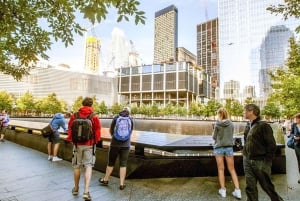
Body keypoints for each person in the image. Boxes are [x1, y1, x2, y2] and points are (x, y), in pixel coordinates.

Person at [243, 104, 284, 201]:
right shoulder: (248, 125)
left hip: (260, 161)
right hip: (247, 160)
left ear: (251, 111)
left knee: (267, 187)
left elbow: (271, 145)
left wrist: (267, 161)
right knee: (250, 187)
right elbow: (246, 141)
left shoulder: (263, 126)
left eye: (244, 111)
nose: (243, 112)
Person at [67, 97, 101, 201]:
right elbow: (97, 130)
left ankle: (76, 188)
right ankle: (86, 192)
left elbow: (70, 128)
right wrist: (95, 141)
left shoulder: (75, 115)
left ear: (82, 104)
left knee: (77, 166)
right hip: (89, 145)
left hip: (77, 145)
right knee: (88, 166)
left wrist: (72, 140)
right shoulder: (94, 116)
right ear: (91, 105)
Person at [99, 107, 133, 190]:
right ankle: (121, 184)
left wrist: (115, 137)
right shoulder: (130, 119)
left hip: (115, 144)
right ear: (129, 112)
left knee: (111, 162)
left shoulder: (116, 118)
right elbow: (130, 131)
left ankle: (106, 179)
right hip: (126, 145)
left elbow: (111, 130)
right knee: (123, 163)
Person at [212, 108, 241, 199]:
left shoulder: (217, 124)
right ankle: (237, 191)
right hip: (229, 148)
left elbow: (214, 137)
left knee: (221, 169)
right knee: (232, 169)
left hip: (219, 148)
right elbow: (231, 135)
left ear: (220, 115)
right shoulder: (231, 124)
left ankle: (223, 190)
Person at [289, 113, 300, 184]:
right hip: (297, 146)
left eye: (297, 118)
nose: (295, 120)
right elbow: (291, 133)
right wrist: (294, 137)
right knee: (299, 161)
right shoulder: (294, 125)